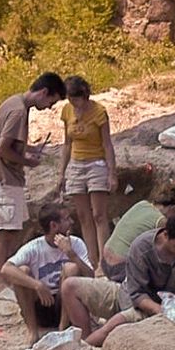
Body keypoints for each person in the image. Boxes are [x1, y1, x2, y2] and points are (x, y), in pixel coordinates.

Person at [68, 213, 175, 347]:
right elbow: (138, 295)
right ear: (165, 235)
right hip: (140, 302)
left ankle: (83, 347)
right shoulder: (141, 247)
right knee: (70, 287)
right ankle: (80, 349)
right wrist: (162, 312)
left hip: (171, 304)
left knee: (115, 324)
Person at [0, 72, 66, 277]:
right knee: (5, 236)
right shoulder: (19, 112)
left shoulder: (13, 102)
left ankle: (10, 278)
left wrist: (29, 148)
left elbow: (9, 139)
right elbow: (1, 149)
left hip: (5, 178)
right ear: (44, 92)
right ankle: (2, 282)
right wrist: (27, 162)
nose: (49, 107)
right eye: (51, 101)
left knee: (11, 233)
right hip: (6, 179)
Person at [0, 206, 92, 342]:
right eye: (66, 219)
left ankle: (62, 329)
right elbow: (5, 269)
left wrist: (72, 255)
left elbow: (91, 277)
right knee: (22, 271)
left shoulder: (76, 243)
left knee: (71, 269)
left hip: (67, 304)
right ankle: (32, 332)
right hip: (42, 303)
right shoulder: (34, 248)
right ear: (53, 225)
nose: (71, 222)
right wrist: (37, 285)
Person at [56, 76, 116, 274]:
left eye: (76, 98)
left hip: (96, 163)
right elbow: (67, 143)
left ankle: (104, 263)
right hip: (76, 164)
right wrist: (61, 173)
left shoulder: (99, 112)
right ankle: (92, 260)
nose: (73, 102)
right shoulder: (67, 111)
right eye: (70, 98)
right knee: (83, 216)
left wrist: (111, 172)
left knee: (99, 215)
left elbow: (107, 144)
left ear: (85, 95)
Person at [101, 186, 175, 282]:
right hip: (122, 268)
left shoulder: (142, 204)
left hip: (105, 261)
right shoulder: (161, 221)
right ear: (173, 208)